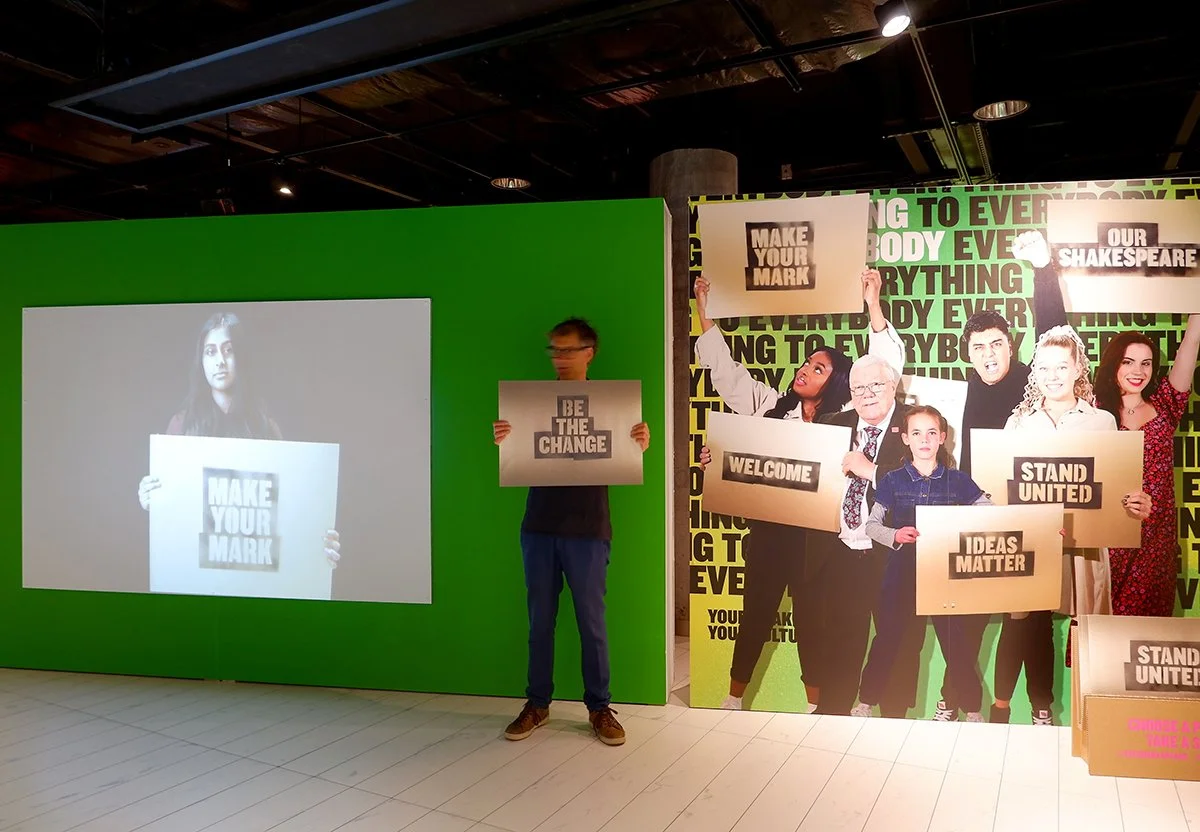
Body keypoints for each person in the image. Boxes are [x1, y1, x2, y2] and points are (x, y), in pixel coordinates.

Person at [693, 269, 904, 713]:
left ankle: (816, 707)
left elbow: (883, 370)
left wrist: (873, 304)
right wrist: (718, 461)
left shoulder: (847, 417)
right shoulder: (773, 407)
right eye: (807, 363)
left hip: (819, 541)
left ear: (838, 383)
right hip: (771, 533)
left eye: (819, 368)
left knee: (815, 621)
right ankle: (733, 699)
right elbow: (730, 379)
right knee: (755, 613)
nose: (805, 370)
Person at [492, 318, 650, 747]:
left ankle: (600, 707)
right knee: (539, 622)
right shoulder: (531, 407)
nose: (560, 359)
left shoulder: (612, 407)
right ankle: (537, 704)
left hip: (588, 529)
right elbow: (517, 451)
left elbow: (625, 450)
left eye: (568, 350)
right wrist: (506, 437)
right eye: (555, 351)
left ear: (589, 352)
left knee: (591, 624)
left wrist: (638, 439)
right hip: (539, 526)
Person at [938, 229, 1069, 723]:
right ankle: (957, 702)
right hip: (971, 520)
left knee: (1031, 616)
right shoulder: (955, 397)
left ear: (1012, 347)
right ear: (967, 353)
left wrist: (1042, 269)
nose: (989, 353)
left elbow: (1056, 332)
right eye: (978, 346)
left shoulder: (1034, 383)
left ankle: (1040, 709)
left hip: (1027, 514)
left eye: (996, 343)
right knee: (960, 615)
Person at [997, 324, 1152, 724]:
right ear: (1034, 371)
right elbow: (1001, 487)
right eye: (1044, 367)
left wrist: (1136, 503)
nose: (1053, 375)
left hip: (1085, 539)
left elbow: (1118, 486)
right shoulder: (1019, 423)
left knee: (1089, 625)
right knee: (1027, 623)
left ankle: (1094, 717)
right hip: (1034, 540)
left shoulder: (1101, 421)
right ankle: (1039, 708)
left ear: (1077, 367)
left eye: (1061, 366)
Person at [137, 312, 341, 567]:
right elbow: (174, 519)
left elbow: (286, 517)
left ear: (241, 357)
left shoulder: (266, 429)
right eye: (210, 352)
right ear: (200, 361)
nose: (219, 361)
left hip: (252, 576)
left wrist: (318, 545)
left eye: (228, 350)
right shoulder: (181, 426)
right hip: (196, 577)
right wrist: (152, 499)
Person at [854, 405, 993, 720]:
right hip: (901, 572)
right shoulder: (891, 480)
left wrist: (1042, 525)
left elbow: (993, 514)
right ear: (905, 438)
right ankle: (864, 702)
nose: (925, 439)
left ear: (942, 437)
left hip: (943, 575)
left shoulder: (958, 481)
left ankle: (972, 710)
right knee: (887, 639)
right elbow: (871, 526)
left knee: (955, 644)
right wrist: (895, 534)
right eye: (916, 433)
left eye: (932, 432)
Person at [802, 352, 913, 716]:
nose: (866, 394)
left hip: (892, 558)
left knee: (896, 646)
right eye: (858, 388)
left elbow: (932, 482)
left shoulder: (916, 426)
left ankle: (895, 723)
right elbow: (792, 466)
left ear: (893, 386)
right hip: (841, 555)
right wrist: (718, 458)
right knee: (839, 643)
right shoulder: (832, 423)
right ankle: (831, 718)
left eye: (876, 386)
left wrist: (872, 471)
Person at [1093, 315, 1200, 616]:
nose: (1137, 371)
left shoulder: (1166, 403)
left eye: (1146, 363)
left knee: (1145, 641)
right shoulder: (1093, 411)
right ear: (1114, 364)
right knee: (1101, 633)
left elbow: (1192, 341)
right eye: (1128, 362)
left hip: (1156, 543)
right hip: (1109, 540)